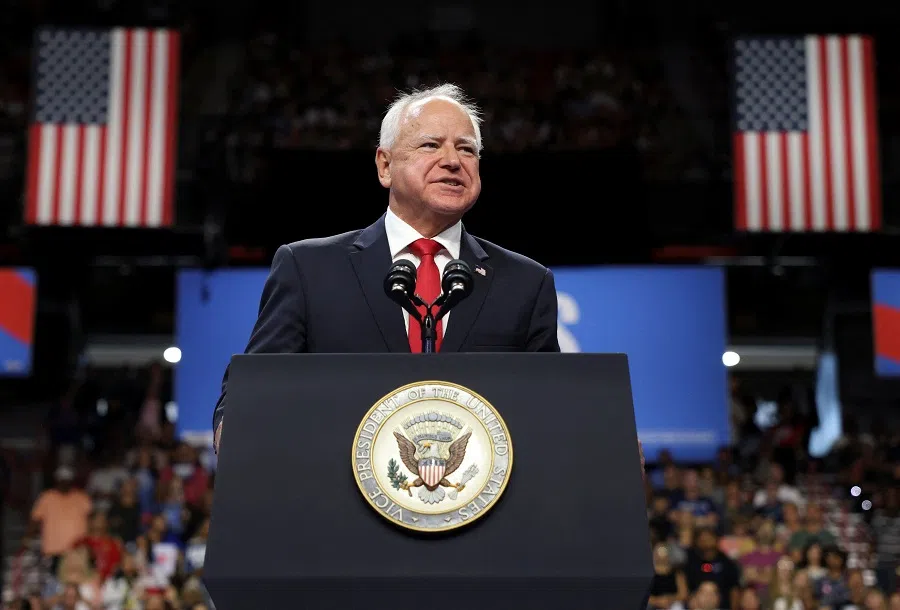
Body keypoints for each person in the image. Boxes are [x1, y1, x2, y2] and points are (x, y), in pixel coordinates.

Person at [211, 83, 561, 451]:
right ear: (385, 165)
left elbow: (551, 409)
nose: (453, 161)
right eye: (431, 145)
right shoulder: (307, 269)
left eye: (467, 149)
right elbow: (252, 390)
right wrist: (235, 433)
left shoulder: (526, 283)